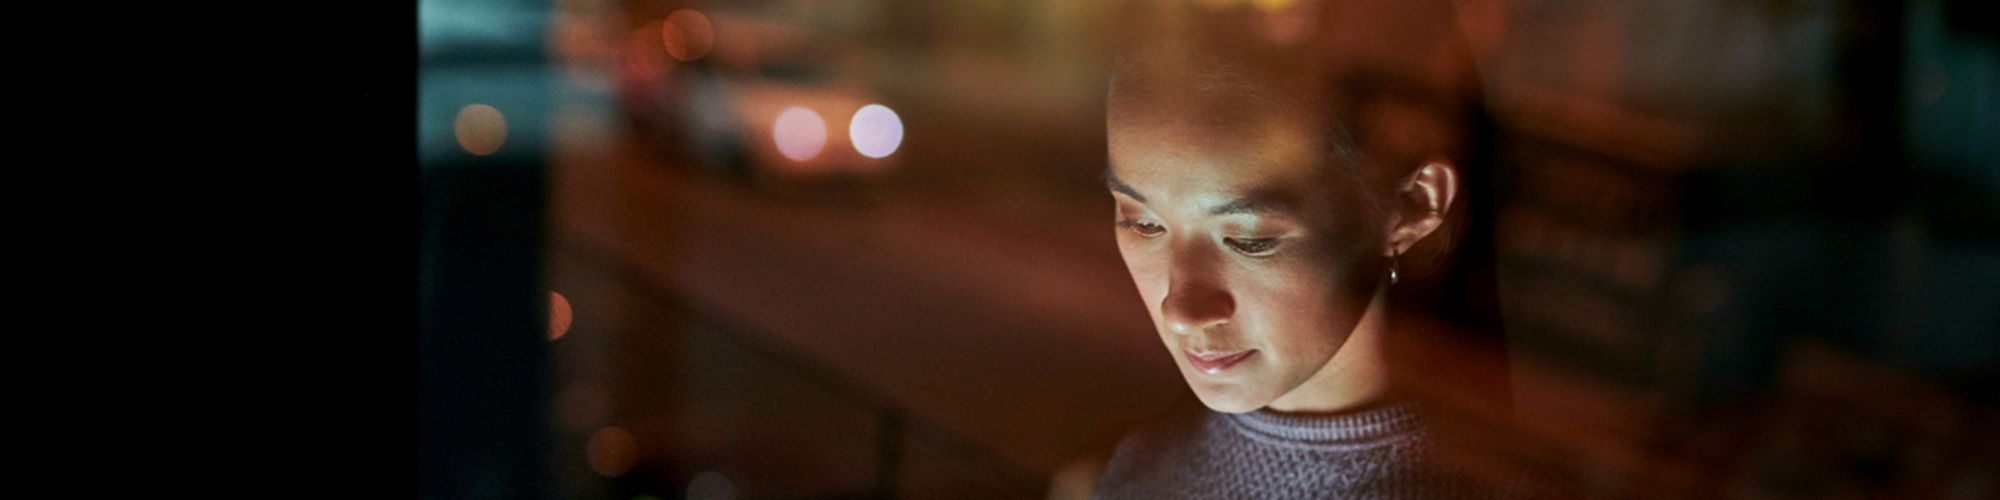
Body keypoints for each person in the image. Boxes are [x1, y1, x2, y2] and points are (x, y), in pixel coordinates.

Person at [1079, 1, 1535, 498]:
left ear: (1411, 204)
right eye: (1143, 223)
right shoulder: (1138, 463)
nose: (1182, 310)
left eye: (1249, 239)